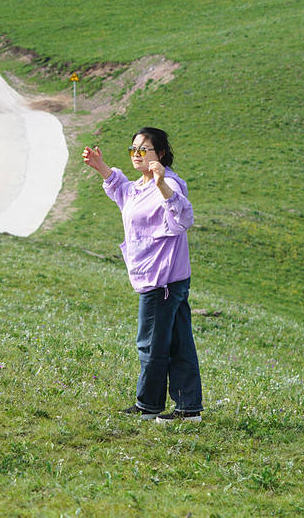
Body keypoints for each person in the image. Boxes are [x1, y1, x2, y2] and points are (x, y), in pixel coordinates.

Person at [83, 127, 203, 424]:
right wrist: (102, 168)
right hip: (164, 277)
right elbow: (124, 194)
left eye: (143, 150)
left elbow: (183, 217)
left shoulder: (169, 184)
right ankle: (189, 409)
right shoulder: (140, 185)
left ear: (160, 154)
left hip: (161, 280)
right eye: (133, 149)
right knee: (178, 342)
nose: (136, 155)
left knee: (150, 343)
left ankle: (148, 405)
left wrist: (162, 183)